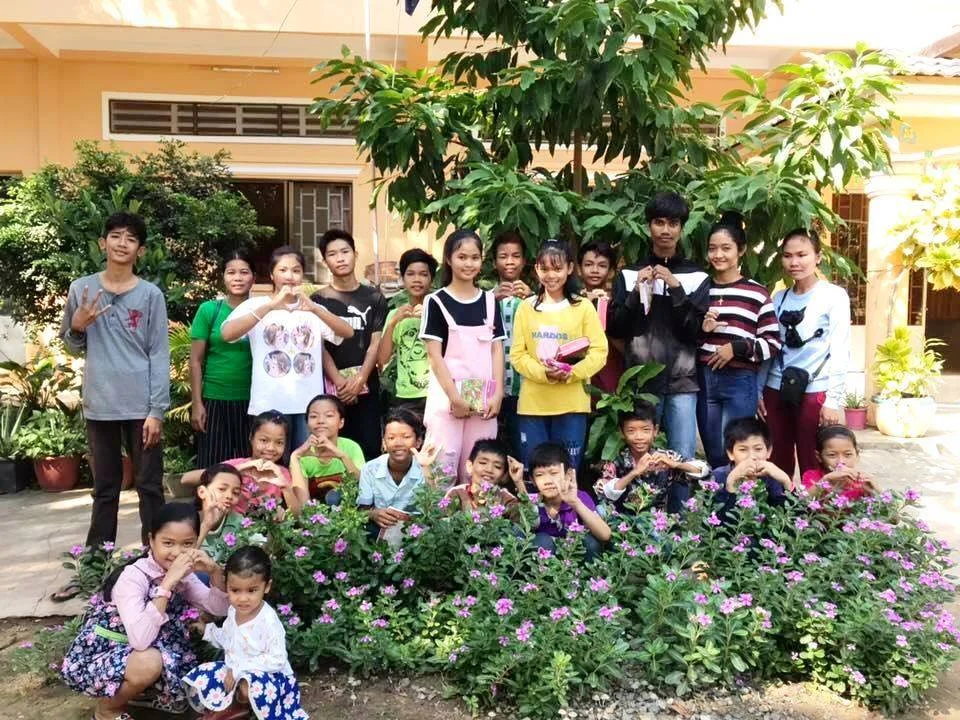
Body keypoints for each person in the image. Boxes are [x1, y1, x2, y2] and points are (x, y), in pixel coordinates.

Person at [55, 212, 170, 603]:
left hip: (142, 407)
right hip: (100, 404)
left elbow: (159, 353)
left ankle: (159, 566)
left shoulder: (150, 295)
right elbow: (71, 345)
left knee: (150, 487)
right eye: (116, 236)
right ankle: (93, 570)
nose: (123, 243)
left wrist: (157, 410)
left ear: (141, 250)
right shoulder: (82, 289)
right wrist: (78, 326)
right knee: (105, 489)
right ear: (103, 243)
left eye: (131, 238)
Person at [60, 504, 229, 720]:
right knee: (149, 663)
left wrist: (214, 571)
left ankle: (140, 697)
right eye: (168, 543)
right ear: (151, 540)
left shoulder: (184, 575)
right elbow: (140, 640)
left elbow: (220, 608)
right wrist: (167, 585)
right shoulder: (134, 576)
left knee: (180, 675)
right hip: (106, 653)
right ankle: (107, 710)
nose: (177, 552)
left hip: (150, 648)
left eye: (187, 544)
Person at [220, 245, 354, 452]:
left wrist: (314, 308)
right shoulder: (256, 305)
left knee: (305, 460)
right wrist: (271, 306)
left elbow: (347, 332)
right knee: (269, 459)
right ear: (272, 275)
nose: (289, 276)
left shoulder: (312, 308)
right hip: (268, 403)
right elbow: (227, 333)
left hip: (308, 407)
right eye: (282, 270)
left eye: (296, 270)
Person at [608, 191, 710, 464]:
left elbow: (695, 331)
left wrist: (675, 288)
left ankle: (684, 496)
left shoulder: (696, 275)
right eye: (659, 222)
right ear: (648, 226)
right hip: (641, 382)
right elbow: (615, 328)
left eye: (673, 224)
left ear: (682, 228)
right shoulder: (629, 274)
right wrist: (635, 293)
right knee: (639, 458)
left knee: (683, 459)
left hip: (682, 381)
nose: (666, 230)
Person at [758, 229, 852, 479]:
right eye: (788, 256)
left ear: (818, 257)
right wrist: (758, 390)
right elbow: (771, 346)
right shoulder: (778, 298)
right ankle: (779, 502)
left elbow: (840, 349)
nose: (794, 262)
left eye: (802, 255)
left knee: (814, 459)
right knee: (776, 458)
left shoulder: (834, 296)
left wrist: (833, 400)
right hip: (776, 389)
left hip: (814, 390)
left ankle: (815, 505)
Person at [510, 239, 607, 468]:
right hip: (533, 405)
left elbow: (599, 352)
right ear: (536, 269)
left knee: (568, 471)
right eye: (544, 269)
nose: (551, 275)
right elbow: (518, 355)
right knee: (536, 471)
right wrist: (544, 373)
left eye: (557, 268)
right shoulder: (525, 308)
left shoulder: (583, 307)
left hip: (572, 404)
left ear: (570, 268)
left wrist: (572, 372)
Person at [696, 213, 782, 469]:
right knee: (713, 451)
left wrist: (736, 348)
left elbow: (773, 342)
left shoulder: (756, 293)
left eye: (726, 248)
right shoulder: (702, 290)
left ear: (741, 250)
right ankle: (716, 494)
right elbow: (687, 336)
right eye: (712, 249)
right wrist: (702, 329)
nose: (718, 255)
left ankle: (741, 493)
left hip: (740, 381)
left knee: (739, 449)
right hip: (705, 378)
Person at [420, 229, 506, 482]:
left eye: (474, 258)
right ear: (448, 259)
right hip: (448, 397)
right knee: (442, 467)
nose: (469, 264)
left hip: (483, 399)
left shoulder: (490, 301)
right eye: (462, 257)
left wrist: (498, 393)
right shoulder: (435, 301)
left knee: (480, 470)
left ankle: (479, 510)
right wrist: (454, 398)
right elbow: (435, 357)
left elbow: (496, 349)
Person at [182, 547, 307, 720]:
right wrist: (207, 631)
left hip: (271, 678)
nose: (242, 598)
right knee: (204, 674)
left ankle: (241, 708)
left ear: (266, 586)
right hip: (235, 670)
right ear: (227, 585)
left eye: (251, 590)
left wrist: (239, 669)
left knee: (248, 686)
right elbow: (228, 639)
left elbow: (277, 659)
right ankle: (232, 708)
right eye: (235, 590)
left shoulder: (267, 620)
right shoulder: (233, 611)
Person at [312, 229, 389, 461]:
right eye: (332, 254)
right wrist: (339, 382)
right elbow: (319, 347)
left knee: (369, 450)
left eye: (345, 252)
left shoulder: (374, 298)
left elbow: (375, 343)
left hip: (367, 387)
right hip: (331, 390)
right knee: (332, 451)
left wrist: (360, 380)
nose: (340, 258)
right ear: (325, 261)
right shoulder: (318, 300)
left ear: (355, 254)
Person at [189, 251, 256, 467]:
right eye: (231, 272)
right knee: (213, 467)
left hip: (254, 401)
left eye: (244, 272)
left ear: (253, 278)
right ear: (223, 277)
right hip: (215, 399)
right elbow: (195, 361)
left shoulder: (263, 311)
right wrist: (197, 404)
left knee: (251, 466)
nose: (238, 278)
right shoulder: (209, 310)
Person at [594, 401, 709, 515]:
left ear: (655, 431)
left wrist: (675, 464)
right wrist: (634, 472)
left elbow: (703, 470)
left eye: (646, 430)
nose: (639, 437)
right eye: (631, 431)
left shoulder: (665, 457)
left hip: (656, 522)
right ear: (622, 432)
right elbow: (605, 493)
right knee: (600, 510)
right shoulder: (616, 460)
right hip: (622, 521)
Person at [183, 411, 299, 516]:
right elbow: (186, 479)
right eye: (264, 440)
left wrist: (285, 486)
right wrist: (236, 470)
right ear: (251, 438)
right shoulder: (238, 464)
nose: (271, 448)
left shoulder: (282, 473)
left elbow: (297, 516)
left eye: (279, 442)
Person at [522, 442, 611, 561]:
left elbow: (605, 535)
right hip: (545, 564)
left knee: (590, 542)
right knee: (541, 540)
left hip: (575, 559)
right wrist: (518, 483)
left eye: (553, 473)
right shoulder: (533, 502)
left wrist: (575, 503)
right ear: (532, 480)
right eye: (540, 475)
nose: (547, 481)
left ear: (568, 475)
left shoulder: (579, 497)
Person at [357, 408, 439, 535]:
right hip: (380, 529)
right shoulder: (370, 469)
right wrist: (374, 514)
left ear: (418, 442)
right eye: (391, 438)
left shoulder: (426, 468)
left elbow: (434, 509)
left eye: (406, 437)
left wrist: (426, 468)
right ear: (384, 443)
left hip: (416, 533)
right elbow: (362, 509)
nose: (398, 443)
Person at [377, 248, 438, 416]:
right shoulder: (394, 315)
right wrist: (393, 323)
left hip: (436, 393)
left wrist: (430, 318)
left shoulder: (440, 312)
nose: (417, 279)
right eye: (410, 274)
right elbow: (382, 359)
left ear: (432, 279)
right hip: (404, 396)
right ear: (402, 279)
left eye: (423, 274)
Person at [491, 231, 532, 454]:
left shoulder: (536, 298)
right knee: (491, 446)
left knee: (522, 445)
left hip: (524, 387)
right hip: (491, 387)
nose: (509, 261)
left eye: (516, 256)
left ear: (524, 261)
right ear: (494, 262)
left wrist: (533, 297)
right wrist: (490, 300)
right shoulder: (484, 297)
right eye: (503, 256)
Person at [711, 417, 794, 522]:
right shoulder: (717, 478)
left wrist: (786, 481)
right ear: (730, 453)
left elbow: (787, 520)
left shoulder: (773, 477)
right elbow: (719, 524)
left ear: (769, 451)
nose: (751, 457)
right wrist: (731, 484)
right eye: (743, 450)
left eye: (758, 449)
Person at [290, 394, 364, 505]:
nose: (320, 421)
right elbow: (303, 503)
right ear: (307, 423)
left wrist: (342, 456)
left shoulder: (351, 447)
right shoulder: (302, 455)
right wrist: (295, 456)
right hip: (316, 513)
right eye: (314, 416)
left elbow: (363, 485)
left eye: (329, 416)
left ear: (341, 422)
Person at [577, 239, 625, 396]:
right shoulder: (570, 302)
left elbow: (626, 346)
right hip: (577, 376)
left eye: (602, 265)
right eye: (588, 264)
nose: (595, 270)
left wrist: (603, 308)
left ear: (611, 272)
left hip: (610, 377)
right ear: (578, 269)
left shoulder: (618, 304)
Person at [801, 425, 878, 503]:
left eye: (848, 454)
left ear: (857, 454)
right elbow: (802, 502)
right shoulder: (812, 476)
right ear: (819, 457)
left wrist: (876, 491)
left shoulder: (863, 482)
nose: (841, 461)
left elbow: (882, 506)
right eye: (832, 455)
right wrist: (825, 481)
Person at [443, 438, 519, 513]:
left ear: (504, 474)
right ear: (470, 466)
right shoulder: (456, 493)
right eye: (483, 463)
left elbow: (523, 518)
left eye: (497, 467)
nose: (489, 470)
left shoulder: (507, 500)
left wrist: (519, 482)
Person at [194, 464, 245, 565]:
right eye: (222, 489)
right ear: (202, 492)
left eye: (235, 492)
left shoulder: (238, 521)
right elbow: (180, 563)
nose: (229, 496)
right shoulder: (185, 521)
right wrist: (206, 525)